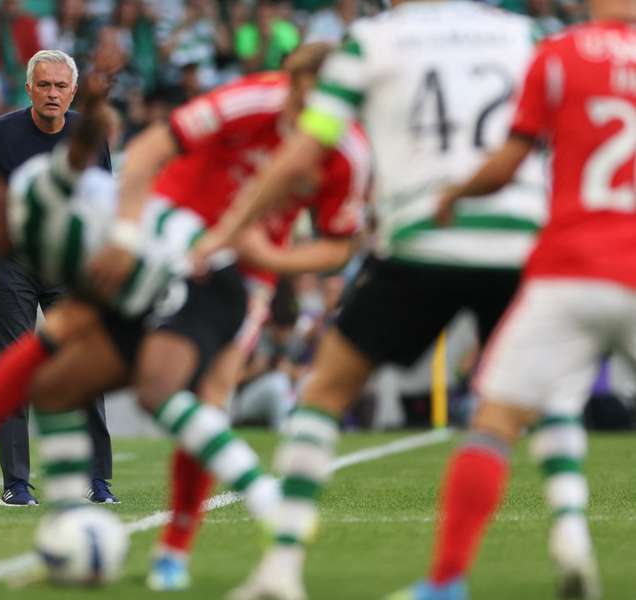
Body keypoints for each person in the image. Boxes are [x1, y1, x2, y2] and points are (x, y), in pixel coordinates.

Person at [193, 2, 546, 598]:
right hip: (517, 240)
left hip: (423, 238)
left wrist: (229, 228)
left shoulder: (373, 40)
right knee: (526, 405)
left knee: (325, 389)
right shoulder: (522, 33)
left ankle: (281, 568)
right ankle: (560, 543)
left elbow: (306, 150)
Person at [0, 71, 281, 548]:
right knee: (52, 386)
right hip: (130, 295)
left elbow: (78, 153)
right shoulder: (18, 240)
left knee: (156, 391)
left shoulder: (37, 191)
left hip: (191, 274)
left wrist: (94, 107)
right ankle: (71, 524)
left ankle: (265, 497)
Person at [95, 43, 369, 590]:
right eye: (307, 100)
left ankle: (175, 546)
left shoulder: (349, 153)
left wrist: (275, 259)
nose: (318, 116)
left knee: (211, 398)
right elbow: (152, 144)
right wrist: (126, 227)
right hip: (172, 236)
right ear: (288, 85)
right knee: (85, 346)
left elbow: (339, 246)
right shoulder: (249, 100)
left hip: (246, 273)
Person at [393, 5, 636, 599]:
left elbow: (508, 163)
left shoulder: (557, 55)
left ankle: (446, 583)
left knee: (495, 422)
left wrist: (454, 192)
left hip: (569, 268)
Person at [0, 49, 116, 506]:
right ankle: (16, 483)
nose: (53, 94)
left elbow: (103, 209)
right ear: (28, 88)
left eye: (60, 86)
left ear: (73, 91)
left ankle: (98, 480)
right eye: (44, 85)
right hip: (10, 263)